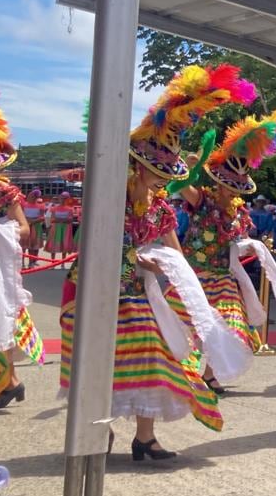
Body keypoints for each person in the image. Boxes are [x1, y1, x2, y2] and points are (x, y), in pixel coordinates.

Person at [60, 63, 257, 459]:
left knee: (153, 355)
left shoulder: (161, 204)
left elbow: (172, 247)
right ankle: (103, 430)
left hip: (140, 295)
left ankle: (144, 437)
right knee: (102, 362)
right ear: (137, 165)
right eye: (155, 171)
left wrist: (178, 276)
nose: (161, 179)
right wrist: (140, 259)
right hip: (99, 291)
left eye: (164, 172)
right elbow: (94, 239)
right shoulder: (107, 194)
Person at [167, 111, 276, 394]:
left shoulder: (239, 210)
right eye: (229, 186)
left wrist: (249, 247)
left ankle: (210, 375)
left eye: (237, 187)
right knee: (187, 326)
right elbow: (178, 186)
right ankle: (184, 374)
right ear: (217, 182)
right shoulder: (202, 199)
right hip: (195, 276)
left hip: (223, 278)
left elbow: (238, 240)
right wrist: (190, 166)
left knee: (231, 326)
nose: (232, 192)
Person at [0, 103, 44, 409]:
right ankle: (9, 383)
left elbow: (24, 229)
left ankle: (8, 382)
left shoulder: (4, 191)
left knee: (3, 321)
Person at [45, 192, 77, 262]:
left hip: (66, 229)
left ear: (67, 199)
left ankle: (63, 262)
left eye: (65, 199)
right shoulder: (54, 208)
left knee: (64, 244)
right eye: (61, 198)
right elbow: (52, 219)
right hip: (56, 228)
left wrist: (59, 220)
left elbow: (70, 220)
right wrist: (64, 220)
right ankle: (52, 261)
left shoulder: (70, 209)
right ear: (59, 199)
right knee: (54, 244)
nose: (63, 200)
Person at [20, 188, 45, 268]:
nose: (29, 197)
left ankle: (31, 262)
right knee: (23, 246)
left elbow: (42, 217)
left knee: (33, 246)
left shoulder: (40, 206)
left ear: (35, 197)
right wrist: (27, 220)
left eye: (31, 196)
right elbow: (20, 215)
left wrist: (33, 221)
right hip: (25, 225)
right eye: (29, 195)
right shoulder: (23, 205)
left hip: (35, 226)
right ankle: (22, 263)